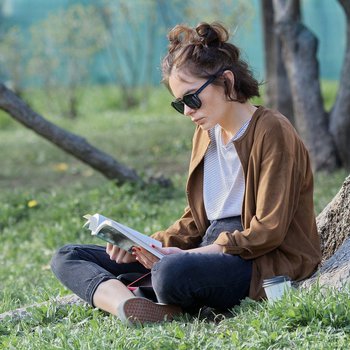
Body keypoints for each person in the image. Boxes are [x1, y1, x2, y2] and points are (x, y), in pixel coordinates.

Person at [51, 22, 322, 325]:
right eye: (179, 104)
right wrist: (143, 245)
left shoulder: (272, 130)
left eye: (192, 98)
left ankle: (152, 294)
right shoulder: (206, 133)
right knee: (69, 255)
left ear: (227, 82)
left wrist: (190, 256)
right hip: (208, 248)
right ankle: (128, 305)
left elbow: (267, 231)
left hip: (258, 259)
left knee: (171, 273)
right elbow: (195, 220)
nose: (188, 112)